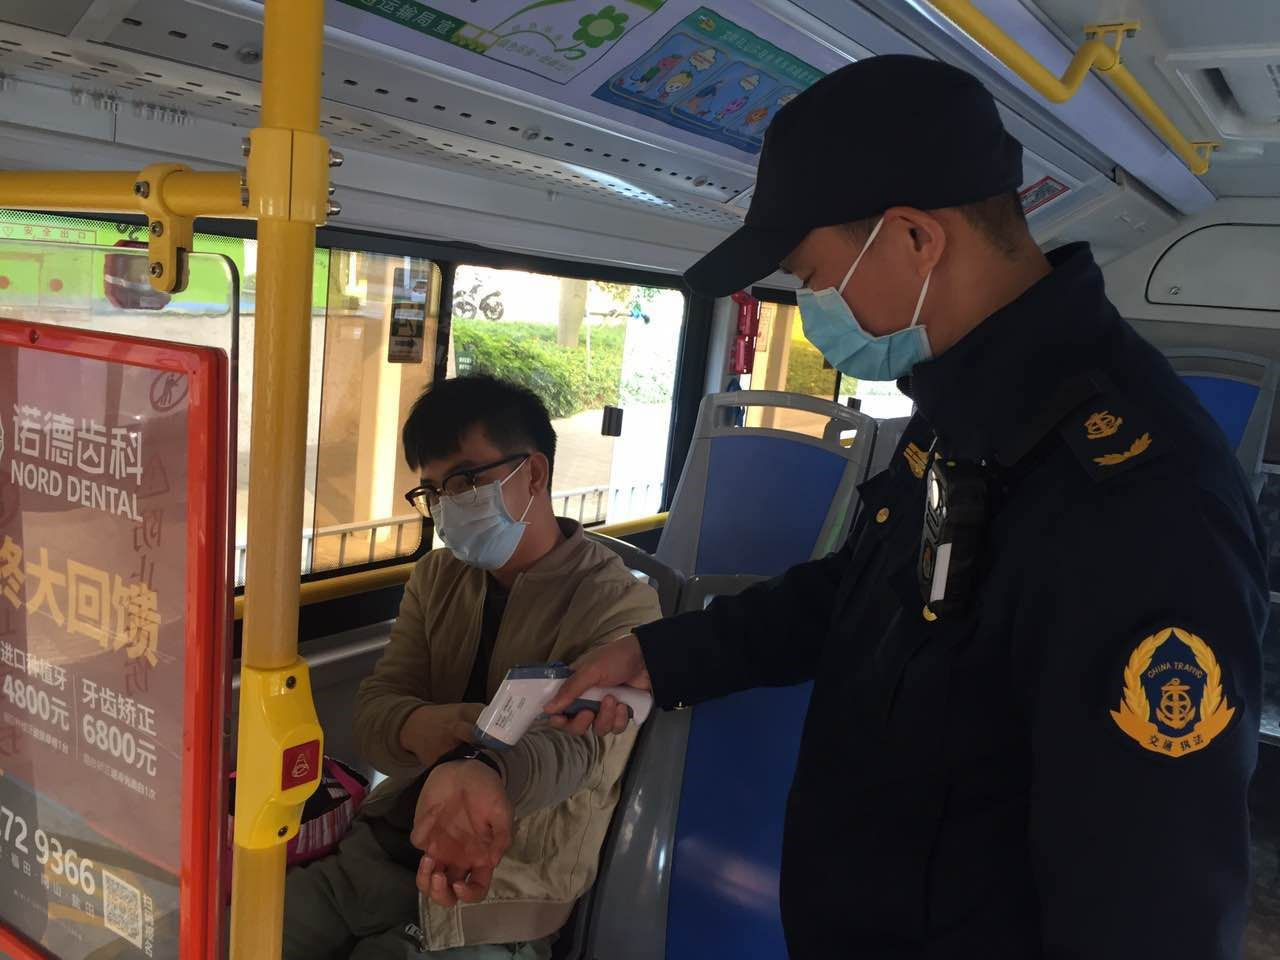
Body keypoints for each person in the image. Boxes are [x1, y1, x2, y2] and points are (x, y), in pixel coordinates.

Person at [409, 56, 1267, 958]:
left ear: (913, 238)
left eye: (811, 275)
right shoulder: (966, 409)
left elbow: (1151, 899)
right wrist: (658, 656)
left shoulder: (1136, 501)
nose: (812, 308)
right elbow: (862, 591)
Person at [283, 375, 661, 959]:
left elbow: (576, 750)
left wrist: (486, 768)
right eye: (432, 491)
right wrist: (421, 727)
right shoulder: (437, 577)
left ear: (533, 474)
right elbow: (377, 708)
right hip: (376, 856)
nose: (446, 506)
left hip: (496, 894)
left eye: (464, 481)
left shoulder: (618, 605)